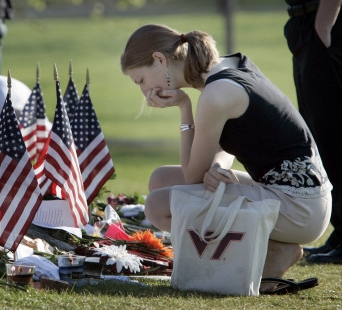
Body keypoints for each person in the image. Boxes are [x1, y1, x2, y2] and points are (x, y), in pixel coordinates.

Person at [120, 24, 332, 293]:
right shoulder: (230, 67)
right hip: (303, 197)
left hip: (300, 208)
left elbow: (191, 176)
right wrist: (218, 166)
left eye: (140, 80)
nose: (144, 90)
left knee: (157, 205)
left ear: (160, 60)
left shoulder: (216, 94)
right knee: (160, 179)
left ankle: (268, 251)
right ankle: (275, 247)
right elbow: (233, 140)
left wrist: (184, 108)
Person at [283, 0, 342, 263]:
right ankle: (341, 231)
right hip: (303, 24)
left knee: (334, 133)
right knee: (321, 134)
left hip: (322, 21)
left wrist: (323, 26)